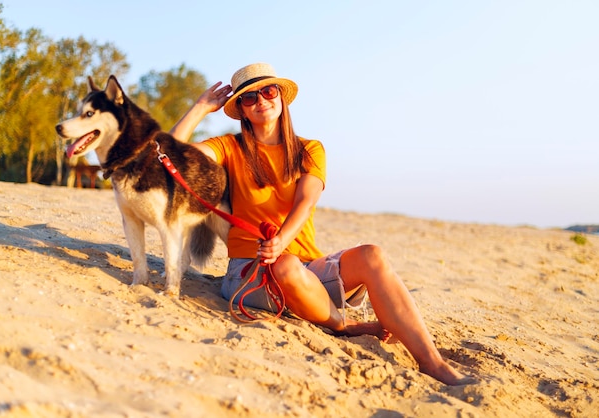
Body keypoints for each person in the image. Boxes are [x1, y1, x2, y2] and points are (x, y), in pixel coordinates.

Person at [170, 63, 472, 386]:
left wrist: (282, 240)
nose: (261, 100)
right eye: (249, 97)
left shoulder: (308, 149)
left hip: (306, 269)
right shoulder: (230, 148)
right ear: (242, 110)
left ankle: (432, 362)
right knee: (285, 267)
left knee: (372, 255)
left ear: (281, 98)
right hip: (251, 273)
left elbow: (305, 201)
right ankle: (343, 325)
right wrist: (202, 107)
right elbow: (172, 154)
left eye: (269, 91)